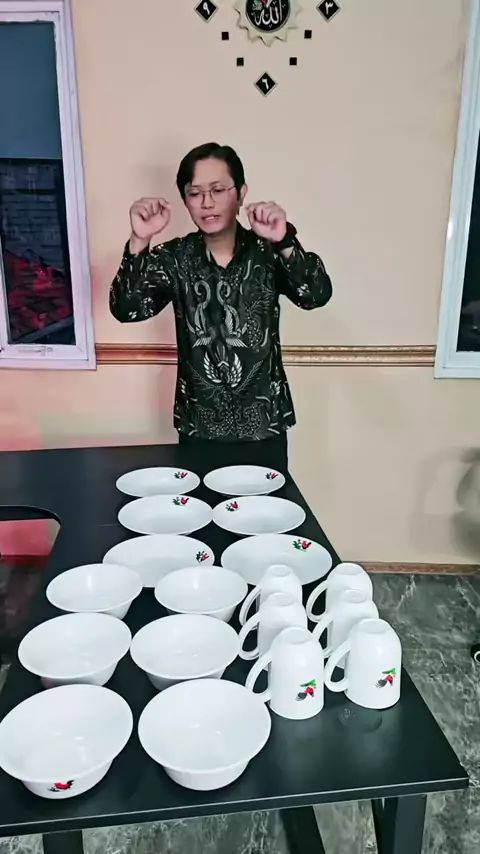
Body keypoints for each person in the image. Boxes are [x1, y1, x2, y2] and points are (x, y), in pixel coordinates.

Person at [110, 142, 332, 474]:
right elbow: (126, 308)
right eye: (195, 193)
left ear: (241, 193)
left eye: (217, 190)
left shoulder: (267, 251)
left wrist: (285, 240)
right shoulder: (174, 257)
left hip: (264, 426)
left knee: (266, 508)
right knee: (199, 508)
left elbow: (315, 294)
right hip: (199, 428)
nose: (207, 202)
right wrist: (139, 241)